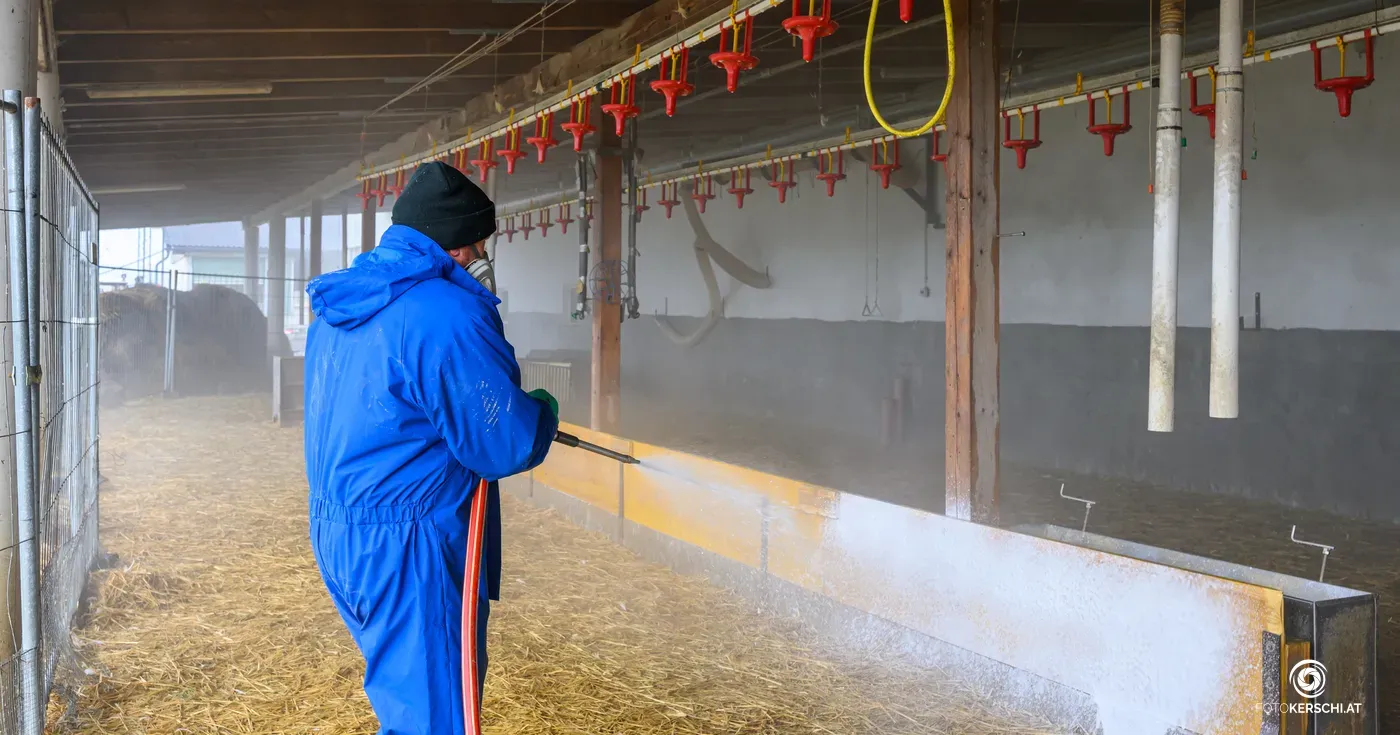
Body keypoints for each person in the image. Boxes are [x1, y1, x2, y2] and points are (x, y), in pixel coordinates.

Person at [303, 161, 559, 735]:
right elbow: (501, 445)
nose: (482, 257)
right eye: (479, 244)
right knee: (438, 719)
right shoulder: (446, 313)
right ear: (458, 248)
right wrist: (541, 414)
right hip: (412, 543)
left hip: (340, 529)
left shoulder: (342, 305)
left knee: (403, 698)